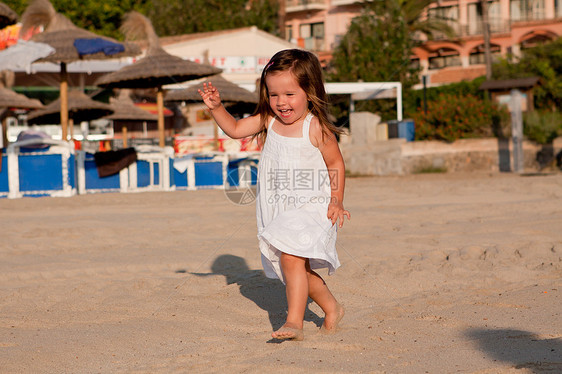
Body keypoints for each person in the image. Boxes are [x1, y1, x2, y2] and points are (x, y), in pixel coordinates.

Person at [199, 49, 350, 341]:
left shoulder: (315, 128)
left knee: (292, 259)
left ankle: (294, 321)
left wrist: (337, 198)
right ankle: (332, 307)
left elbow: (335, 163)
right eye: (274, 94)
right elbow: (235, 129)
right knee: (295, 267)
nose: (281, 102)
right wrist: (216, 107)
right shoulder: (268, 119)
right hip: (279, 207)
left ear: (310, 91)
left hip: (313, 206)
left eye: (290, 94)